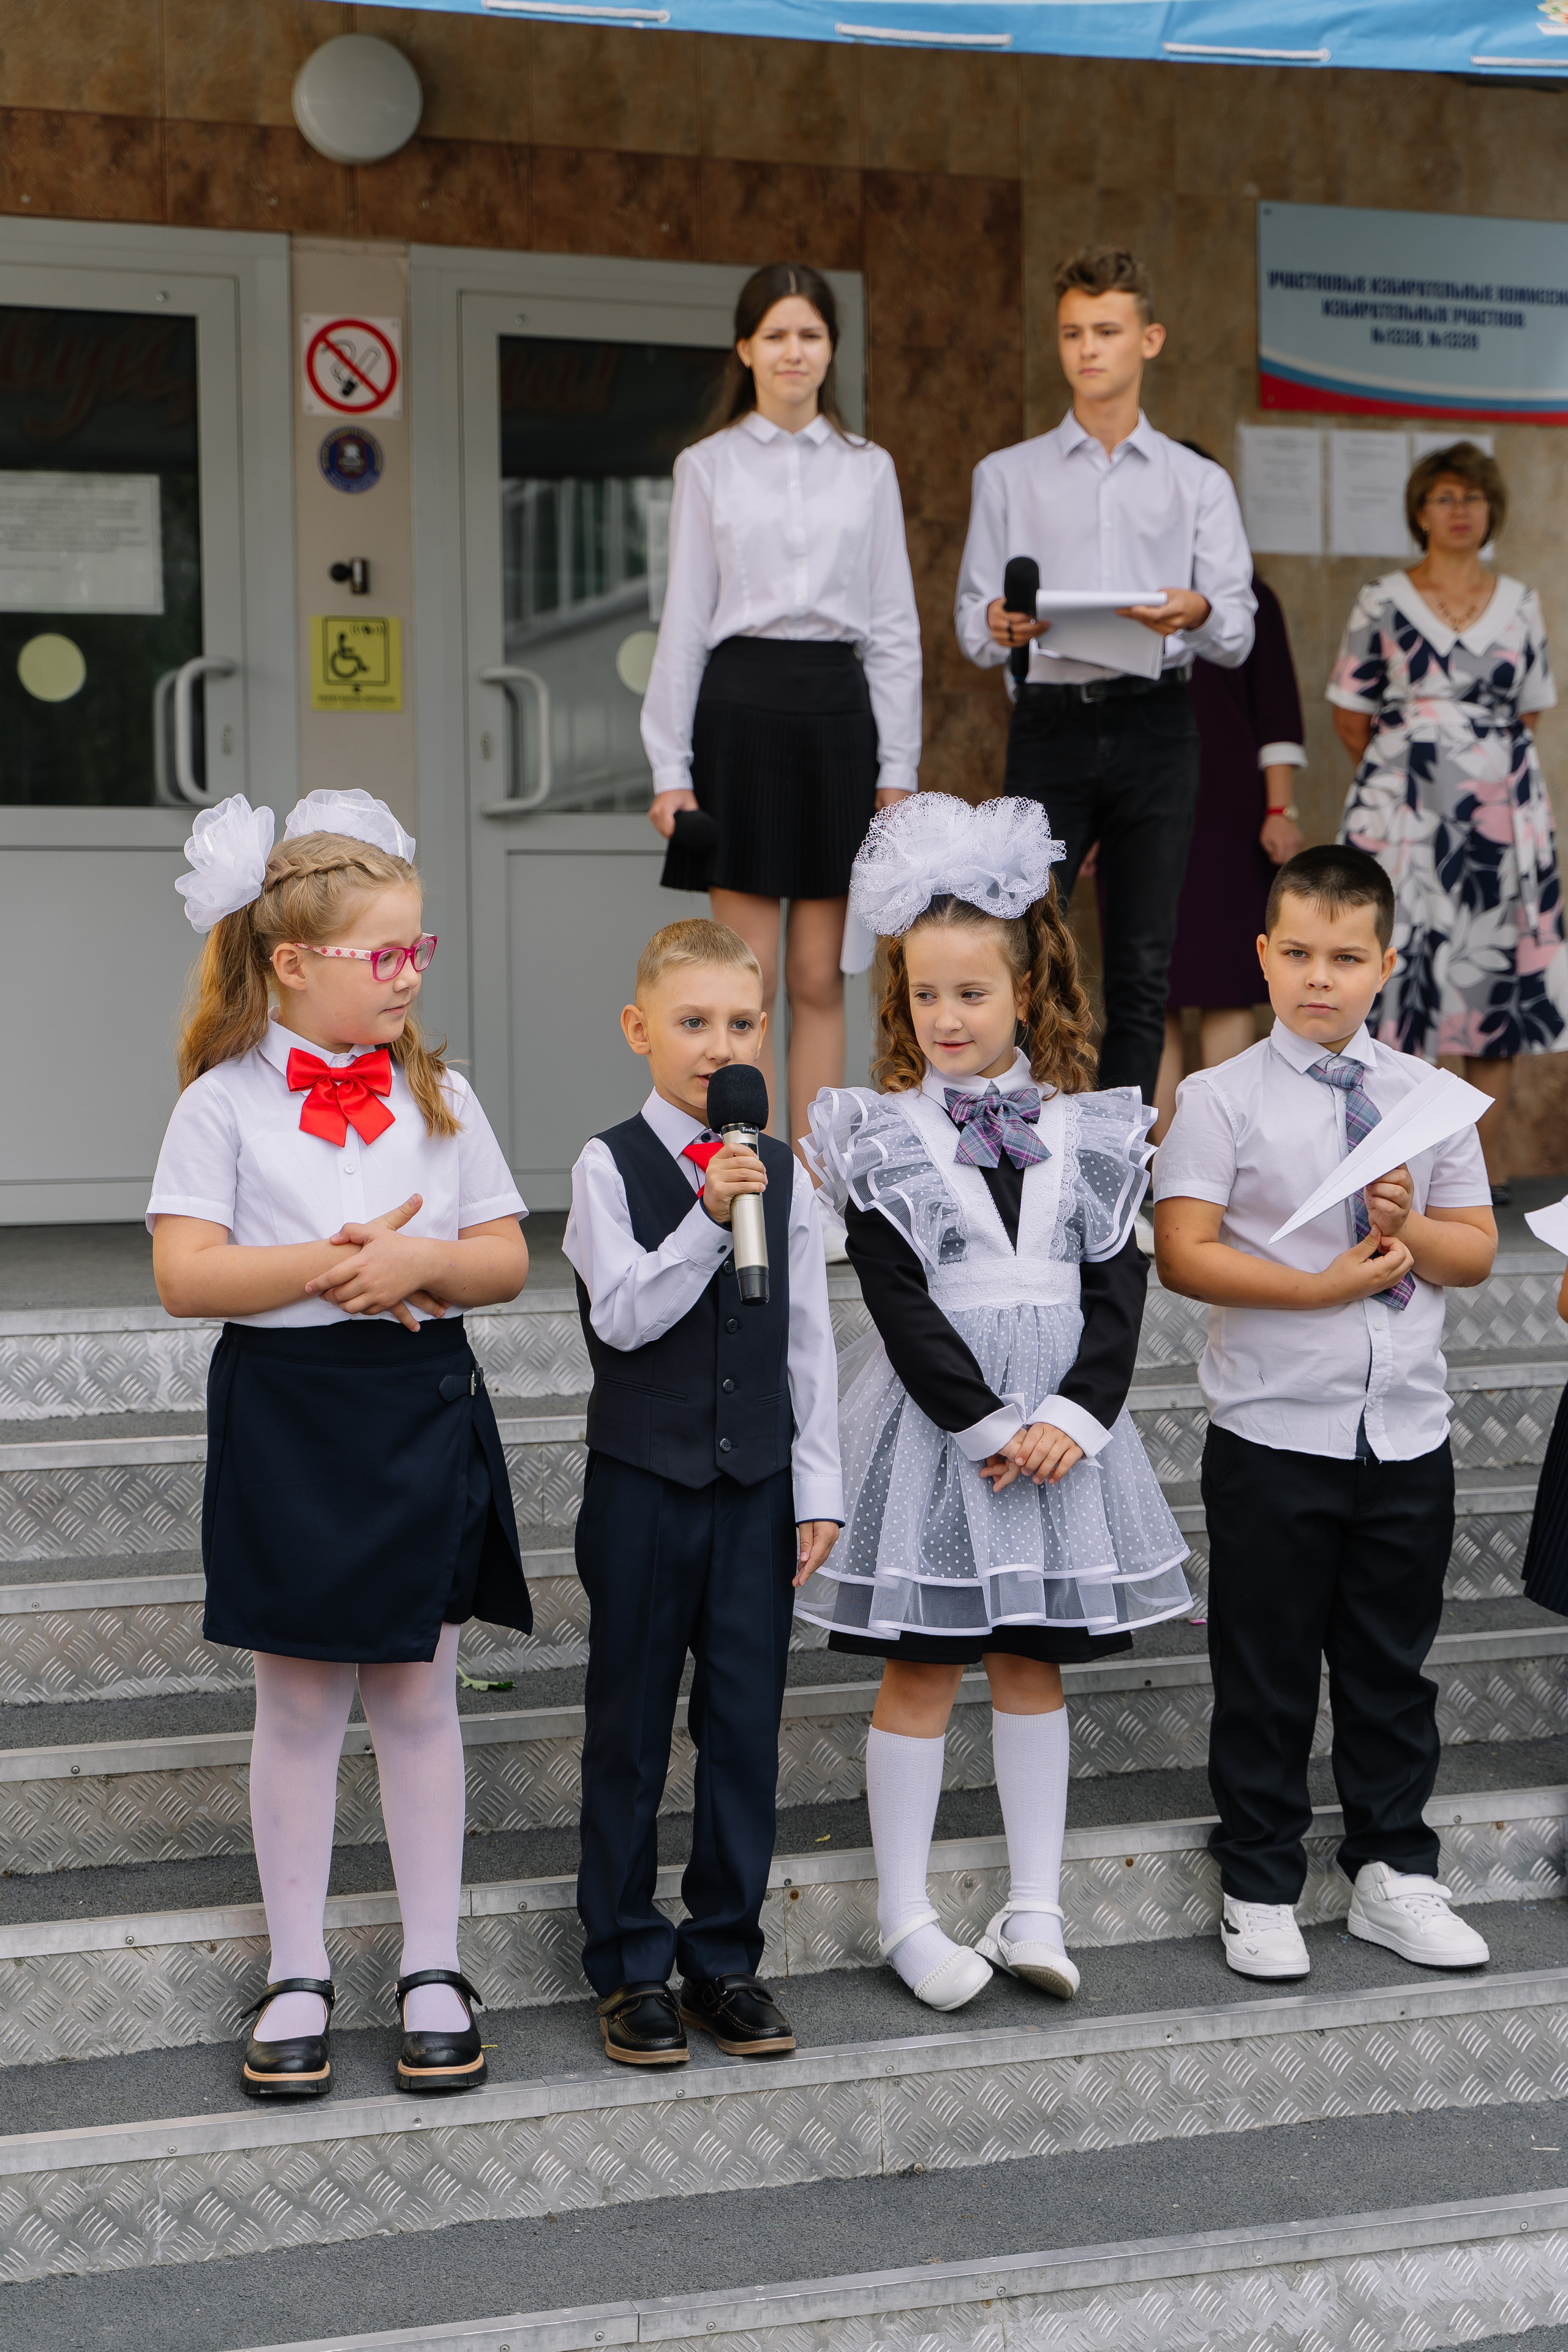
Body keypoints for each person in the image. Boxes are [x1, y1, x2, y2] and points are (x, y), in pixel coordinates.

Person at [148, 788, 532, 2101]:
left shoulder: (444, 1093)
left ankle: (432, 1963)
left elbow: (505, 1258)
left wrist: (428, 1259)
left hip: (416, 1408)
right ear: (292, 963)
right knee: (301, 1701)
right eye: (386, 954)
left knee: (418, 1693)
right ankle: (299, 1966)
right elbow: (187, 1277)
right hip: (291, 1413)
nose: (409, 974)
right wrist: (339, 1267)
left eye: (418, 949)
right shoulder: (222, 1105)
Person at [799, 795, 1191, 2015]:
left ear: (1025, 990)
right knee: (919, 1670)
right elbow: (899, 1305)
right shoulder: (884, 1140)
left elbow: (1118, 1290)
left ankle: (1035, 1904)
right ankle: (907, 1913)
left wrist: (1073, 1419)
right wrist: (980, 1427)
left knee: (1031, 1664)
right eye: (923, 996)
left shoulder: (1093, 1134)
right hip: (940, 1439)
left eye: (970, 993)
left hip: (1061, 1442)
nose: (946, 1018)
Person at [1153, 843, 1497, 1981]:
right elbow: (1187, 1254)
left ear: (1384, 964)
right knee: (1267, 1665)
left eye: (1346, 958)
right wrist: (1312, 1287)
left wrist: (1409, 1218)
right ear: (1263, 954)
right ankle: (1260, 1878)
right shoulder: (1220, 1097)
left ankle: (1392, 1868)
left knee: (1391, 1662)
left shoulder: (1426, 1100)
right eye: (1297, 953)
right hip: (1274, 1432)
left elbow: (1474, 1252)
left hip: (1405, 1427)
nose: (1321, 978)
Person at [563, 917, 843, 2067]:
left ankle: (722, 1955)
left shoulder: (783, 1169)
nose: (714, 1044)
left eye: (737, 1024)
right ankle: (628, 1959)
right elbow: (623, 1313)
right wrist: (701, 1219)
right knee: (630, 1724)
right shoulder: (606, 1165)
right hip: (643, 1486)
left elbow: (810, 1335)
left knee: (744, 1726)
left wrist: (816, 1482)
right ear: (639, 1030)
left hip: (755, 1487)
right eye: (691, 1022)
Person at [953, 244, 1255, 1107]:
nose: (1088, 348)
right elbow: (975, 622)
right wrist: (997, 622)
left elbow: (1236, 627)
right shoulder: (1006, 474)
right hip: (1048, 719)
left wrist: (1193, 610)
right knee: (1021, 942)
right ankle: (1019, 1144)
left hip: (1159, 721)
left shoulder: (1198, 482)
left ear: (1149, 340)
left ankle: (1112, 1167)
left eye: (1108, 330)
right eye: (1072, 332)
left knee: (1143, 961)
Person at [641, 261, 921, 1148]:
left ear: (831, 348)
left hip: (839, 718)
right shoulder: (707, 466)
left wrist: (898, 771)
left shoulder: (868, 470)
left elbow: (892, 627)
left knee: (818, 976)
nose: (793, 352)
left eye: (810, 335)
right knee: (747, 982)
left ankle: (818, 1183)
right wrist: (669, 769)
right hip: (741, 715)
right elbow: (683, 621)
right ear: (746, 348)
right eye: (776, 335)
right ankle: (746, 1175)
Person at [1330, 439, 1568, 1205]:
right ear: (1419, 512)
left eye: (1471, 497)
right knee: (1401, 983)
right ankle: (1401, 1174)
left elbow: (1528, 707)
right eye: (1443, 497)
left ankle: (1479, 1176)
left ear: (1490, 510)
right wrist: (1416, 768)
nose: (1459, 510)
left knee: (1492, 989)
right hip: (1402, 821)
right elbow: (1349, 714)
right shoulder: (1381, 597)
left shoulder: (1521, 600)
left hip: (1499, 828)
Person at [1152, 450, 1308, 1136]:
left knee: (1227, 983)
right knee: (1148, 992)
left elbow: (1277, 714)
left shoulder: (1252, 600)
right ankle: (1158, 1167)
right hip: (1143, 806)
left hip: (1228, 815)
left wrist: (1279, 808)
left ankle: (1231, 1149)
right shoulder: (1130, 601)